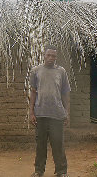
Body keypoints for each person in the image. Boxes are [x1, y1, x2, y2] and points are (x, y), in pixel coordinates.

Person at [29, 45, 70, 177]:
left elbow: (65, 94)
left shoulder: (61, 72)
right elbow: (33, 93)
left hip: (57, 115)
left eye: (54, 56)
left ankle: (61, 171)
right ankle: (38, 171)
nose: (51, 58)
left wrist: (66, 112)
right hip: (40, 114)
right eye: (49, 55)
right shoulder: (36, 71)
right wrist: (31, 112)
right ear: (44, 55)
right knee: (40, 145)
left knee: (58, 145)